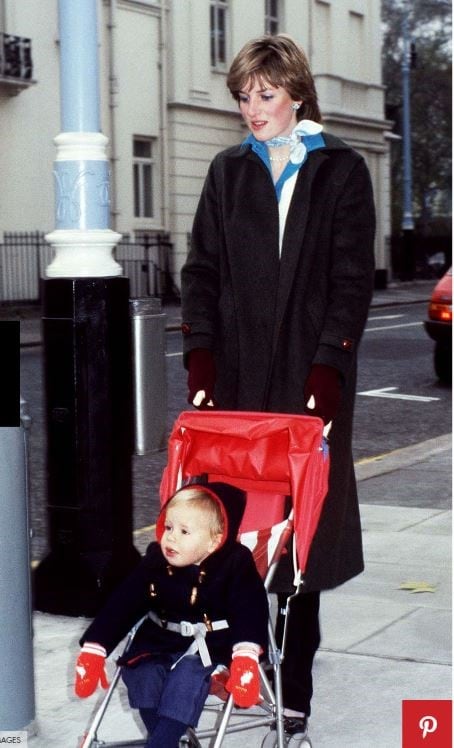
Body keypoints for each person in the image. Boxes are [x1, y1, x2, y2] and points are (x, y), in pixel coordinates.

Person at [181, 34, 376, 737]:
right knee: (236, 531)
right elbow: (201, 271)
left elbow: (352, 279)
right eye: (243, 96)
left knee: (300, 545)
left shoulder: (341, 171)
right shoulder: (227, 172)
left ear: (296, 92)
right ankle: (235, 664)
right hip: (234, 387)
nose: (252, 109)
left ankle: (293, 686)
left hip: (308, 383)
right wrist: (200, 355)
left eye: (265, 95)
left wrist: (330, 365)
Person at [73, 482, 269, 747]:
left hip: (210, 645)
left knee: (185, 681)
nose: (171, 538)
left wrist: (245, 654)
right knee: (141, 672)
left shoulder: (235, 564)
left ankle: (162, 743)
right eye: (168, 527)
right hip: (159, 638)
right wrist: (96, 647)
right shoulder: (156, 561)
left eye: (184, 531)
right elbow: (124, 602)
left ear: (214, 540)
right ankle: (164, 740)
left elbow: (251, 607)